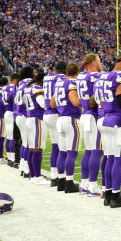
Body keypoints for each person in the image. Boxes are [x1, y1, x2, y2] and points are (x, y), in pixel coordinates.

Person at [96, 53, 121, 207]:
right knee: (119, 159)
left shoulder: (103, 77)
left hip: (106, 118)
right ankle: (115, 197)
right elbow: (120, 95)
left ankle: (108, 194)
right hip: (118, 121)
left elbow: (98, 100)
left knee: (110, 158)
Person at [77, 54, 104, 196]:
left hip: (84, 114)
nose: (101, 63)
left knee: (88, 150)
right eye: (99, 61)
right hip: (92, 115)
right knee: (96, 150)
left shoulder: (81, 76)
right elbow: (96, 96)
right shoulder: (95, 76)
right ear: (93, 63)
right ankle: (92, 185)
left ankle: (84, 183)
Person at [54, 63, 82, 193]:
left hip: (60, 119)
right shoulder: (72, 83)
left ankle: (61, 181)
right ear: (77, 71)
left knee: (62, 151)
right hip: (71, 119)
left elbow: (52, 103)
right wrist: (85, 101)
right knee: (71, 152)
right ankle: (69, 183)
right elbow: (75, 102)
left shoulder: (59, 83)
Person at [43, 62, 66, 187]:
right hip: (55, 114)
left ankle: (53, 176)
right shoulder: (60, 78)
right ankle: (60, 177)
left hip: (47, 114)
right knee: (61, 148)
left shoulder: (47, 77)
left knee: (55, 146)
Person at [23, 71, 47, 185]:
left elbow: (23, 102)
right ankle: (37, 176)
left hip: (29, 118)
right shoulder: (37, 88)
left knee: (32, 148)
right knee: (37, 149)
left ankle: (33, 175)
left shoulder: (28, 88)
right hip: (36, 119)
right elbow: (42, 104)